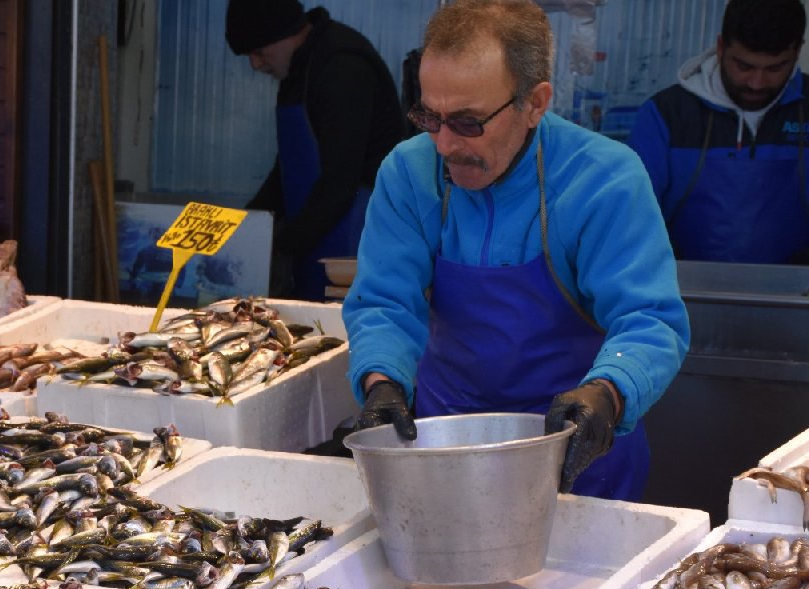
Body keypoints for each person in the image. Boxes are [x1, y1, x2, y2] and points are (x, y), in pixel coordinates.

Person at [343, 0, 690, 501]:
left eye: (466, 122)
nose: (443, 144)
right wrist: (382, 380)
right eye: (429, 116)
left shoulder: (604, 180)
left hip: (578, 455)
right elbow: (384, 302)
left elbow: (650, 320)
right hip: (445, 446)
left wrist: (608, 392)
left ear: (535, 103)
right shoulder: (407, 173)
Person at [225, 0, 404, 301]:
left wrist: (281, 245)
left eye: (258, 52)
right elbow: (290, 165)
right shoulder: (298, 69)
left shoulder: (343, 67)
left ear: (285, 34)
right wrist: (247, 227)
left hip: (355, 242)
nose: (255, 65)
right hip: (315, 238)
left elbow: (339, 185)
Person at [628, 0, 807, 265]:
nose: (756, 83)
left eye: (775, 68)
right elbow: (631, 222)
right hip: (684, 291)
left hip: (795, 297)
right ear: (721, 47)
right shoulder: (666, 115)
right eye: (744, 66)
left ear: (797, 52)